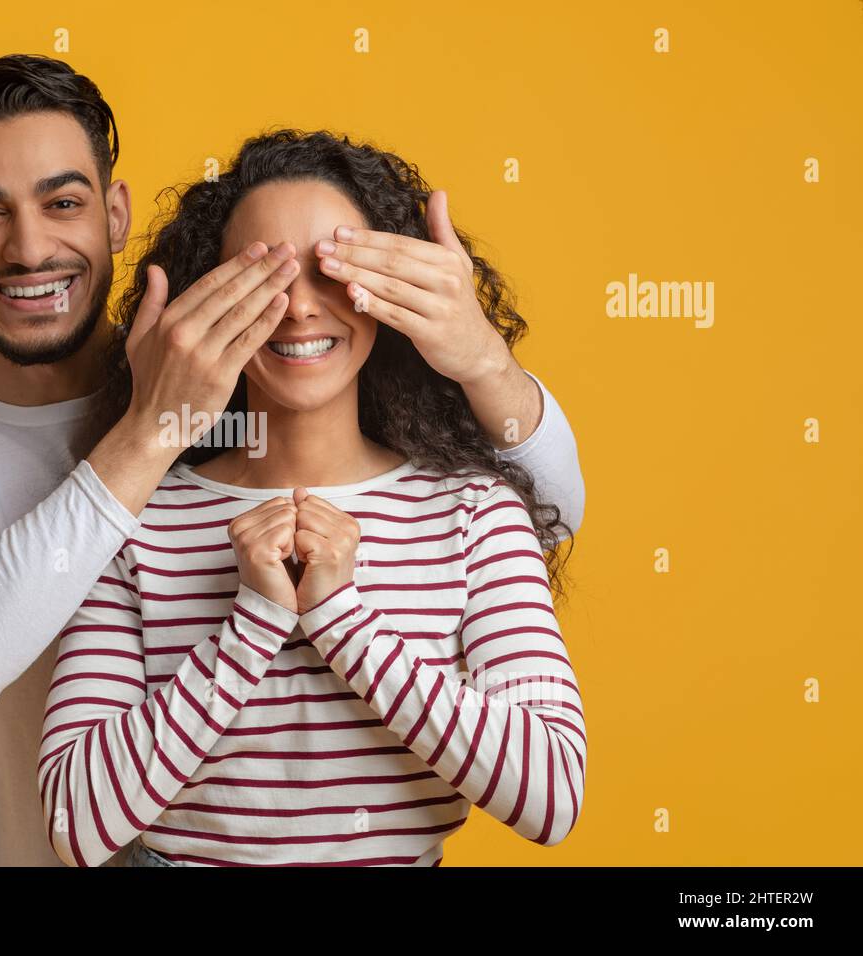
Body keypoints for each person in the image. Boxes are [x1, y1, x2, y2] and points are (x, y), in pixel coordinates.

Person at [0, 54, 584, 866]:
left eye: (63, 202)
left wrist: (482, 360)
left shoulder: (253, 435)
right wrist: (155, 435)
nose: (30, 249)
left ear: (114, 216)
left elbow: (543, 511)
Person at [38, 129, 586, 866]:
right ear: (209, 297)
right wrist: (253, 625)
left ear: (392, 290)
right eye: (266, 277)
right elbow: (75, 822)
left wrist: (343, 623)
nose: (300, 310)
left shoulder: (475, 514)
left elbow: (553, 794)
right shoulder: (130, 512)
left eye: (333, 272)